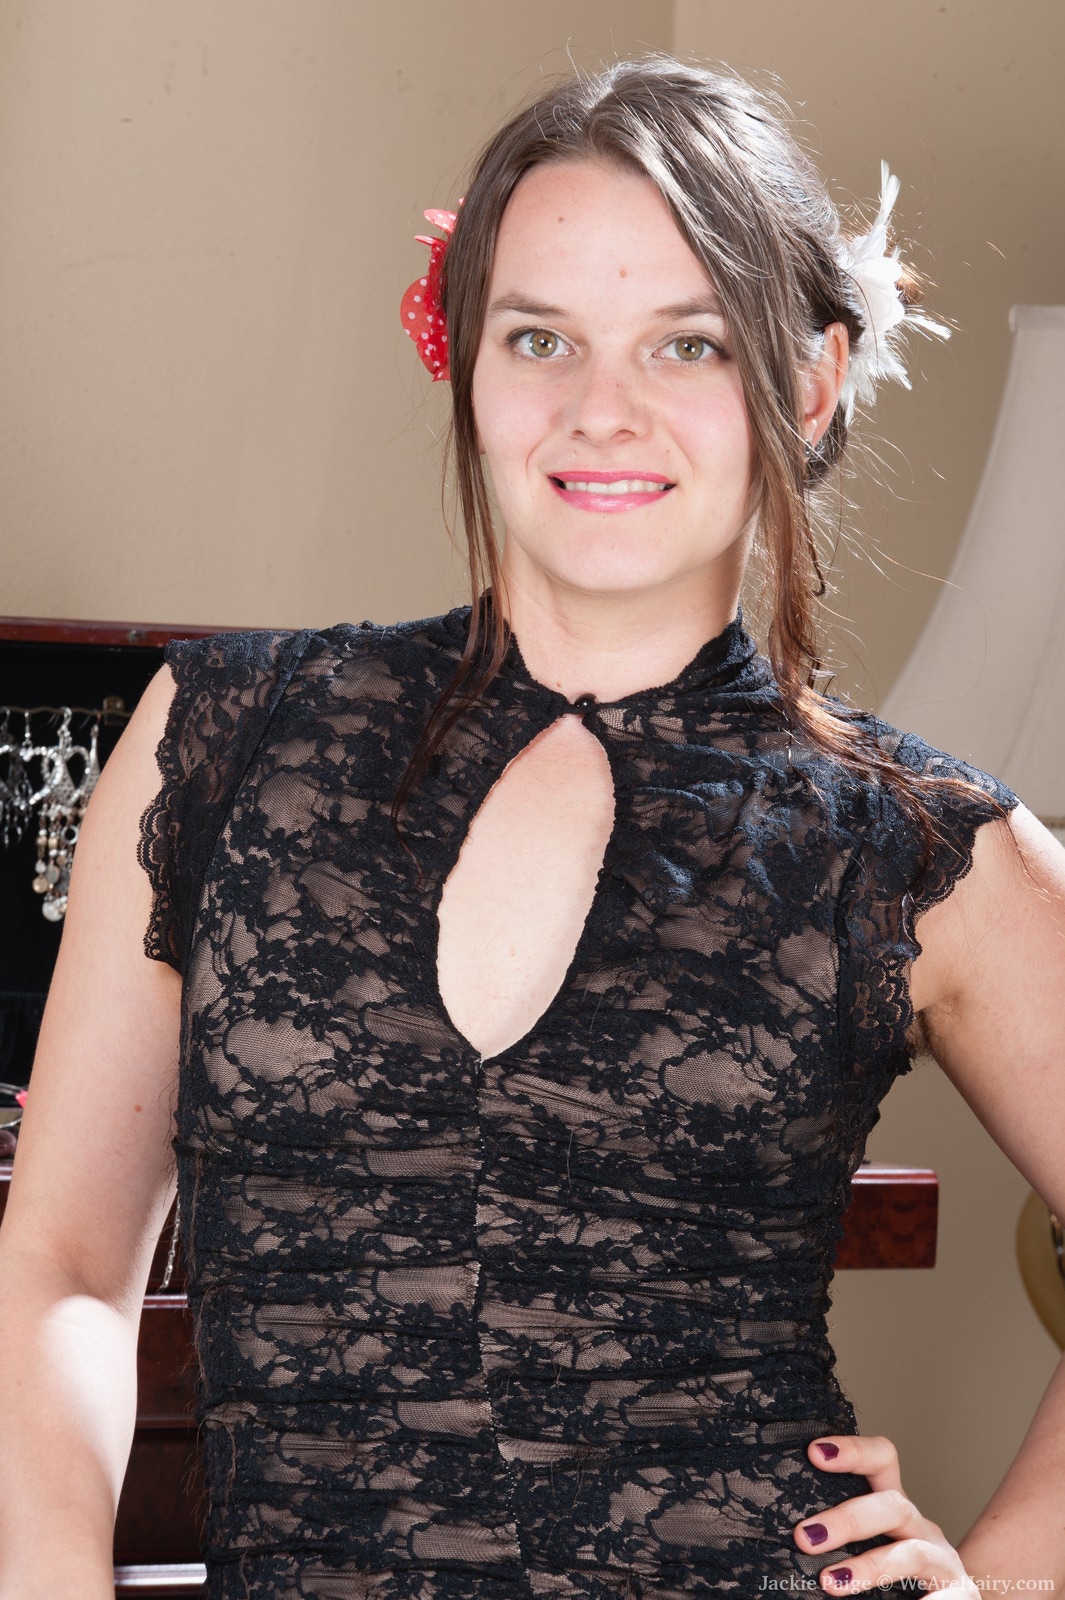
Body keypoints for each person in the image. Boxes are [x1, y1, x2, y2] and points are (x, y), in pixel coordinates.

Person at [0, 53, 1062, 1600]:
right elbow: (63, 1271)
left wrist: (1009, 1579)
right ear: (465, 361)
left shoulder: (910, 842)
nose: (599, 409)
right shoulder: (220, 737)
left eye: (686, 343)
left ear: (808, 381)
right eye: (540, 337)